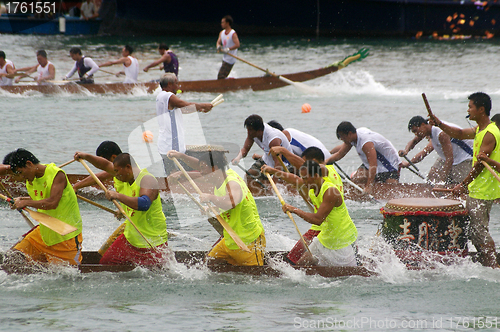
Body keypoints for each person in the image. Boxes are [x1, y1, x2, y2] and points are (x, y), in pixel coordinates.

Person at [428, 92, 500, 267]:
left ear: (481, 109)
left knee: (478, 231)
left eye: (470, 107)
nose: (468, 110)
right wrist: (438, 123)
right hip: (478, 187)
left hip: (483, 189)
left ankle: (493, 264)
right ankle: (488, 260)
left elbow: (480, 166)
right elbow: (459, 133)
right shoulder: (480, 129)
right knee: (475, 229)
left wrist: (463, 184)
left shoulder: (490, 133)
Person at [167, 148, 266, 266]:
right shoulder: (222, 174)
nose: (201, 171)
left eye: (203, 168)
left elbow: (231, 202)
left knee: (255, 274)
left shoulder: (232, 182)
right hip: (230, 240)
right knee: (208, 264)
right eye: (201, 168)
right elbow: (200, 166)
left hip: (249, 241)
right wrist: (181, 157)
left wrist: (211, 198)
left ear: (215, 169)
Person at [74, 152, 169, 266]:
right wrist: (85, 156)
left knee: (160, 272)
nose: (115, 174)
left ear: (128, 167)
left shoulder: (147, 180)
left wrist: (118, 196)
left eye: (117, 171)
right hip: (130, 239)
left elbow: (144, 204)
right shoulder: (122, 176)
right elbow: (104, 165)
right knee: (106, 264)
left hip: (152, 242)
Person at [262, 147, 344, 264]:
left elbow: (304, 171)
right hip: (332, 225)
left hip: (325, 227)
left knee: (291, 261)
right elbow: (298, 181)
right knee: (302, 259)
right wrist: (274, 171)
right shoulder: (330, 172)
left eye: (307, 163)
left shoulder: (325, 171)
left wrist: (284, 152)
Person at [2, 148, 83, 266]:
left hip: (66, 237)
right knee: (10, 261)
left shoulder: (56, 174)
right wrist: (21, 200)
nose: (19, 178)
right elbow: (39, 199)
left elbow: (52, 203)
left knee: (67, 277)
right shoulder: (31, 178)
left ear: (29, 164)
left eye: (19, 173)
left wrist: (25, 203)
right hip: (43, 232)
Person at [282, 160, 358, 266]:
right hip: (325, 237)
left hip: (341, 240)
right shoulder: (313, 190)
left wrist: (294, 210)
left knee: (348, 275)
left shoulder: (331, 192)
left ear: (316, 176)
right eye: (302, 178)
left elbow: (317, 220)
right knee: (299, 265)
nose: (303, 181)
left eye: (305, 178)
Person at [156, 73, 213, 176]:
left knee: (172, 173)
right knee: (176, 174)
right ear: (169, 84)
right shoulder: (168, 96)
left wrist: (200, 109)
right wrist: (203, 105)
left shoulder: (160, 96)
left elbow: (184, 110)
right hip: (171, 145)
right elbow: (185, 105)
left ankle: (171, 190)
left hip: (165, 143)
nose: (178, 87)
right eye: (176, 84)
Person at [326, 121, 401, 195]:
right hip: (372, 162)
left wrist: (369, 186)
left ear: (349, 134)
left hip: (389, 165)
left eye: (342, 137)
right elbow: (340, 153)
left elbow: (373, 164)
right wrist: (326, 160)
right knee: (356, 180)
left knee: (391, 191)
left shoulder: (366, 143)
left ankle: (372, 186)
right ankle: (360, 195)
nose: (342, 139)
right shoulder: (353, 136)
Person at [399, 115, 473, 184]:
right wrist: (406, 151)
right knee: (432, 178)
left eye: (416, 131)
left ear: (422, 125)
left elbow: (425, 153)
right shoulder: (427, 129)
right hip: (450, 157)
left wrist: (441, 182)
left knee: (461, 185)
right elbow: (414, 141)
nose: (416, 134)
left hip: (465, 158)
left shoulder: (440, 134)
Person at [267, 120, 332, 162]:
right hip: (324, 156)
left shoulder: (285, 137)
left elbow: (284, 159)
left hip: (322, 160)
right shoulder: (289, 130)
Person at [216, 15, 240, 79]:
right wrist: (218, 46)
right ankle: (230, 81)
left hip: (231, 59)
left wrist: (228, 49)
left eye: (223, 22)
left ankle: (231, 82)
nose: (221, 24)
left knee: (220, 76)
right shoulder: (222, 33)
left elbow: (237, 44)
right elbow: (218, 42)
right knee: (222, 76)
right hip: (225, 58)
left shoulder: (232, 33)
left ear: (227, 23)